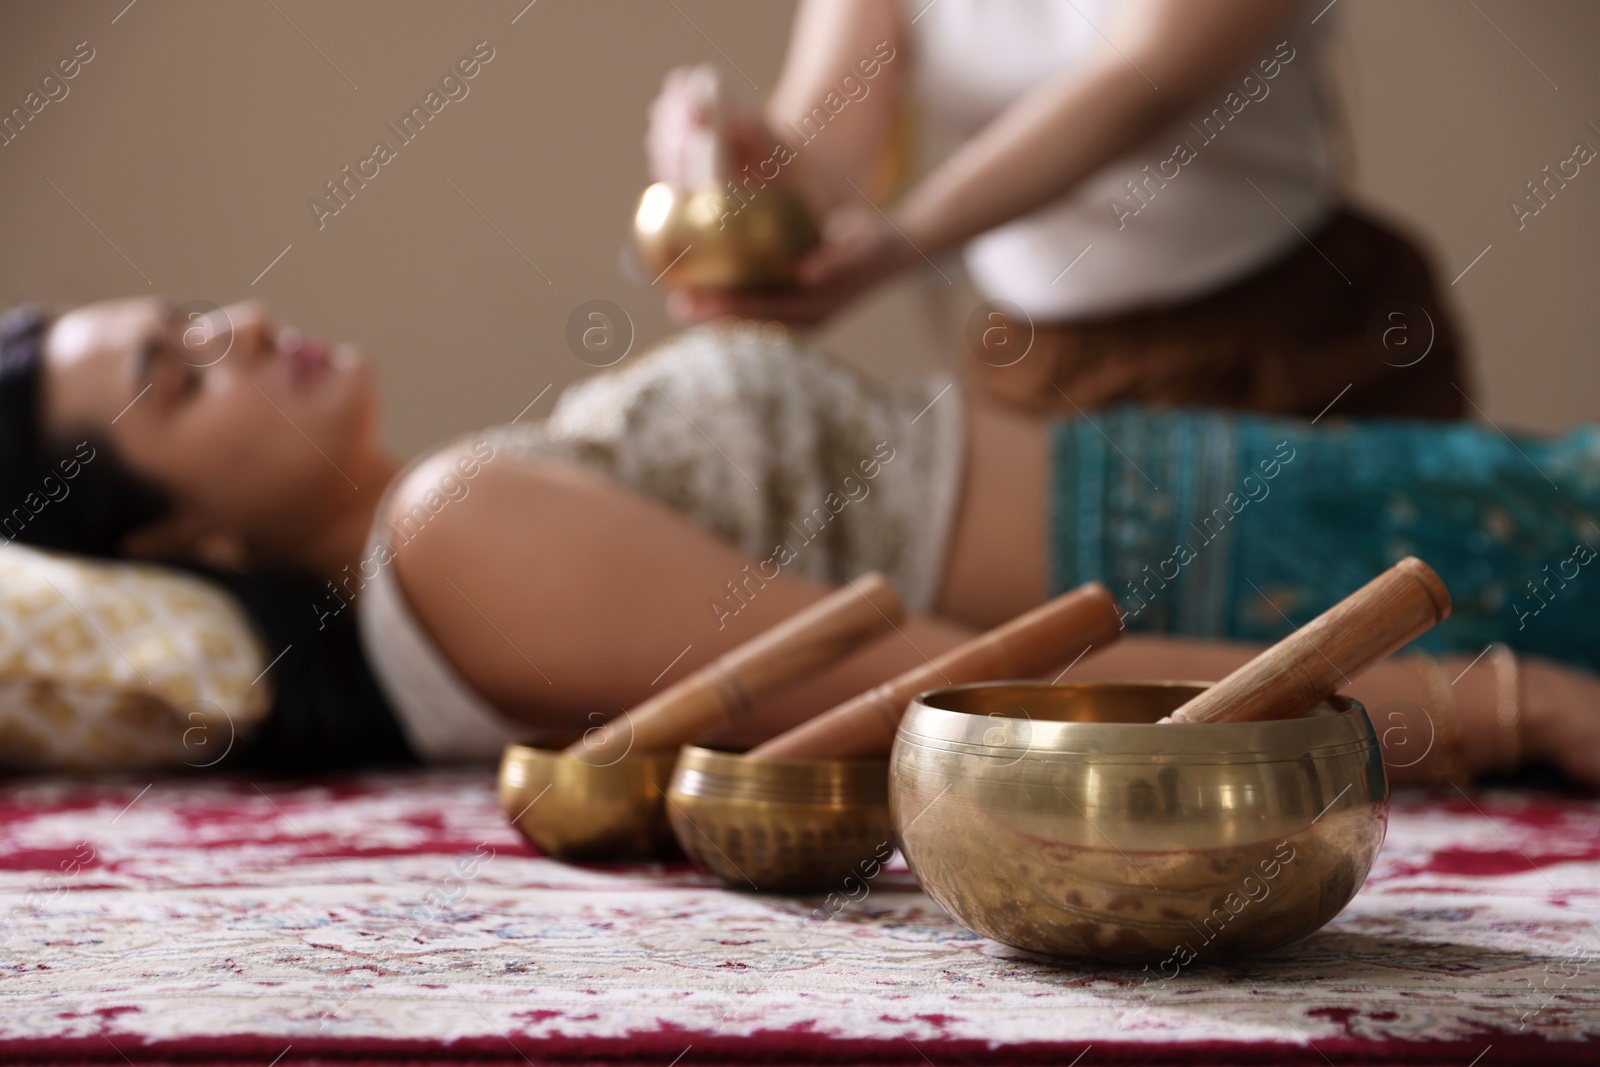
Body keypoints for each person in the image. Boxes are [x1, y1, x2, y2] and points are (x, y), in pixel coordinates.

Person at [1, 298, 1596, 786]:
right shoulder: (455, 526)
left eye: (194, 308)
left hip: (1226, 501)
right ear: (189, 530)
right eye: (175, 377)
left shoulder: (462, 504)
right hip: (1255, 568)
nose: (235, 326)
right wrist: (1504, 707)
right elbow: (962, 686)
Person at [648, 0, 1466, 420]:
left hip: (1298, 341)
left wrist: (901, 246)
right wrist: (746, 163)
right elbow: (827, 141)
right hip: (1044, 373)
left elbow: (1142, 82)